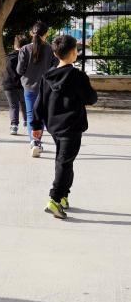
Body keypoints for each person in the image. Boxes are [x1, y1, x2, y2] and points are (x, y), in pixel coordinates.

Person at [30, 35, 97, 220]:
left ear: (55, 53)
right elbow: (91, 99)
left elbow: (39, 103)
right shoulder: (78, 76)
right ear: (74, 53)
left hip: (54, 127)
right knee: (64, 162)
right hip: (72, 127)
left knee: (65, 160)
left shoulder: (47, 76)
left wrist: (36, 125)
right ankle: (54, 198)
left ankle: (64, 196)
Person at [17, 21, 58, 157]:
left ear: (31, 33)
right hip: (46, 87)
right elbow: (55, 66)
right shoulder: (50, 49)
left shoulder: (24, 49)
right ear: (46, 34)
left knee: (30, 115)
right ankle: (46, 141)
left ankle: (34, 142)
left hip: (29, 87)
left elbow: (19, 70)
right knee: (44, 116)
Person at [1, 34, 29, 135]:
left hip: (9, 84)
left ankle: (14, 126)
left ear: (14, 45)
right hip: (22, 84)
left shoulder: (8, 57)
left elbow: (7, 70)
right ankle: (27, 122)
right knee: (24, 103)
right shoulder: (27, 57)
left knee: (13, 106)